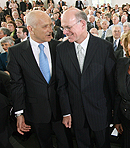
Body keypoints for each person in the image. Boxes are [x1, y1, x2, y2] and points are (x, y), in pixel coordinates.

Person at [7, 10, 71, 148]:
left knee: (67, 143)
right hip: (36, 111)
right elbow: (17, 85)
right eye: (44, 27)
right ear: (30, 29)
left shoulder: (58, 47)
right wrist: (19, 113)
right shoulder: (16, 52)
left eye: (50, 25)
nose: (50, 30)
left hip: (61, 109)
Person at [57, 8, 116, 148]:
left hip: (101, 112)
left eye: (68, 27)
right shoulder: (61, 49)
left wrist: (115, 114)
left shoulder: (104, 48)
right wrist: (66, 112)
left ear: (83, 24)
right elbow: (61, 85)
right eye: (63, 28)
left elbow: (111, 84)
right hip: (76, 114)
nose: (64, 32)